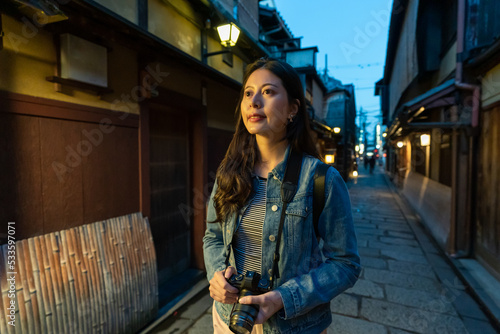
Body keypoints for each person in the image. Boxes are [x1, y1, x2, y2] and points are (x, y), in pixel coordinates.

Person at [203, 58, 361, 334]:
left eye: (268, 92)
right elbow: (213, 236)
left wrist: (283, 298)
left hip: (294, 326)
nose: (254, 102)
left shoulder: (321, 179)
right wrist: (217, 276)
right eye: (249, 93)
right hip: (230, 318)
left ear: (293, 109)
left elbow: (346, 263)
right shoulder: (229, 173)